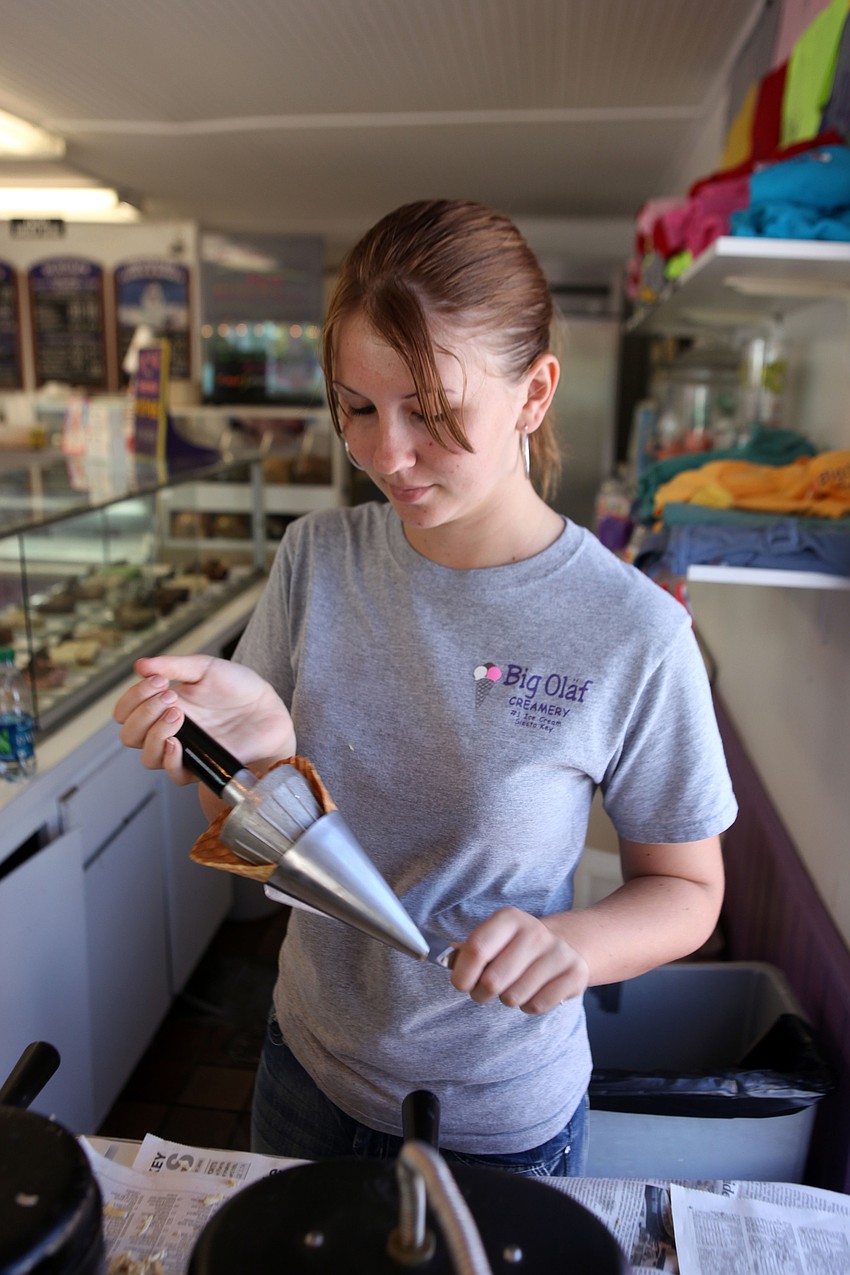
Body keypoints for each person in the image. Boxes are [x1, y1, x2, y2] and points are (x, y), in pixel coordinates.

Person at [114, 198, 737, 1178]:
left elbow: (688, 889)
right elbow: (249, 836)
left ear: (533, 396)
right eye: (357, 408)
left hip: (499, 1119)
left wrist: (576, 945)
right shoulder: (317, 560)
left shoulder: (633, 631)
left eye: (434, 416)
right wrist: (250, 761)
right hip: (307, 1069)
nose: (384, 456)